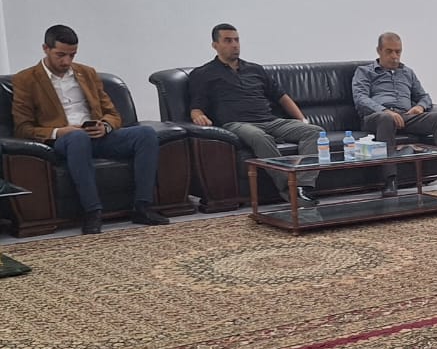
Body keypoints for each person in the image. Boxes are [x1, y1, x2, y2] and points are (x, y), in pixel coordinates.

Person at [11, 25, 169, 234]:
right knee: (77, 137)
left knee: (146, 134)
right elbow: (23, 128)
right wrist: (59, 131)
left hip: (97, 136)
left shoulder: (87, 73)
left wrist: (105, 126)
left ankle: (142, 207)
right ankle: (92, 212)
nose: (66, 61)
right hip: (64, 140)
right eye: (60, 55)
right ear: (45, 49)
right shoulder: (26, 80)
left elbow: (113, 114)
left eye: (72, 55)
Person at [188, 24, 324, 206]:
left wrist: (302, 120)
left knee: (314, 131)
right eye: (228, 41)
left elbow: (282, 97)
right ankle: (289, 189)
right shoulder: (203, 74)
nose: (234, 45)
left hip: (270, 121)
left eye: (236, 40)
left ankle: (303, 186)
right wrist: (197, 115)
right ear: (215, 45)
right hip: (237, 124)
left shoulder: (255, 69)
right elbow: (196, 106)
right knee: (260, 137)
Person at [352, 32, 437, 196]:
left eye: (398, 51)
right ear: (379, 51)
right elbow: (360, 98)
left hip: (406, 116)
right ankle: (390, 180)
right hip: (376, 118)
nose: (394, 56)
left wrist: (420, 107)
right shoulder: (365, 72)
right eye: (389, 51)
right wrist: (385, 111)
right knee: (386, 119)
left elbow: (424, 96)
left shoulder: (407, 72)